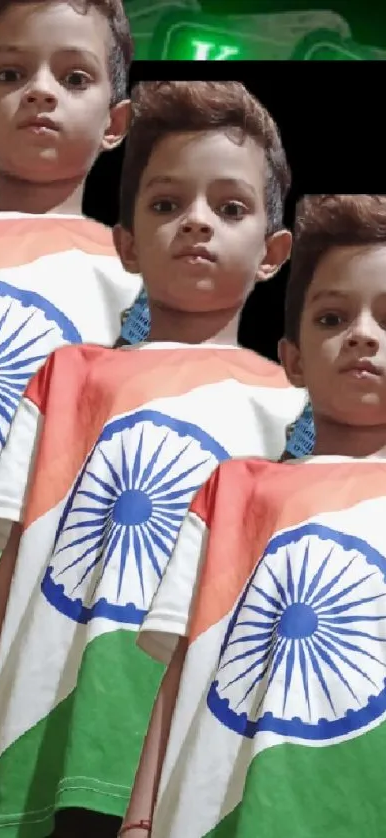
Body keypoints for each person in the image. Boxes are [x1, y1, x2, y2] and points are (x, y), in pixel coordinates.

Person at [0, 80, 304, 838]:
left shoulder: (292, 414)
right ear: (124, 241)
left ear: (273, 251)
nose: (195, 223)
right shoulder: (68, 380)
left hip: (194, 752)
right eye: (165, 205)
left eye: (229, 209)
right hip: (44, 738)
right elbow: (8, 556)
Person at [124, 193, 386, 838]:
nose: (361, 334)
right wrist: (139, 819)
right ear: (292, 358)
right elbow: (185, 664)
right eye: (330, 318)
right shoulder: (235, 490)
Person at [0, 0, 145, 598]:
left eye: (74, 78)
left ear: (116, 121)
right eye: (9, 74)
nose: (39, 91)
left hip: (52, 574)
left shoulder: (139, 288)